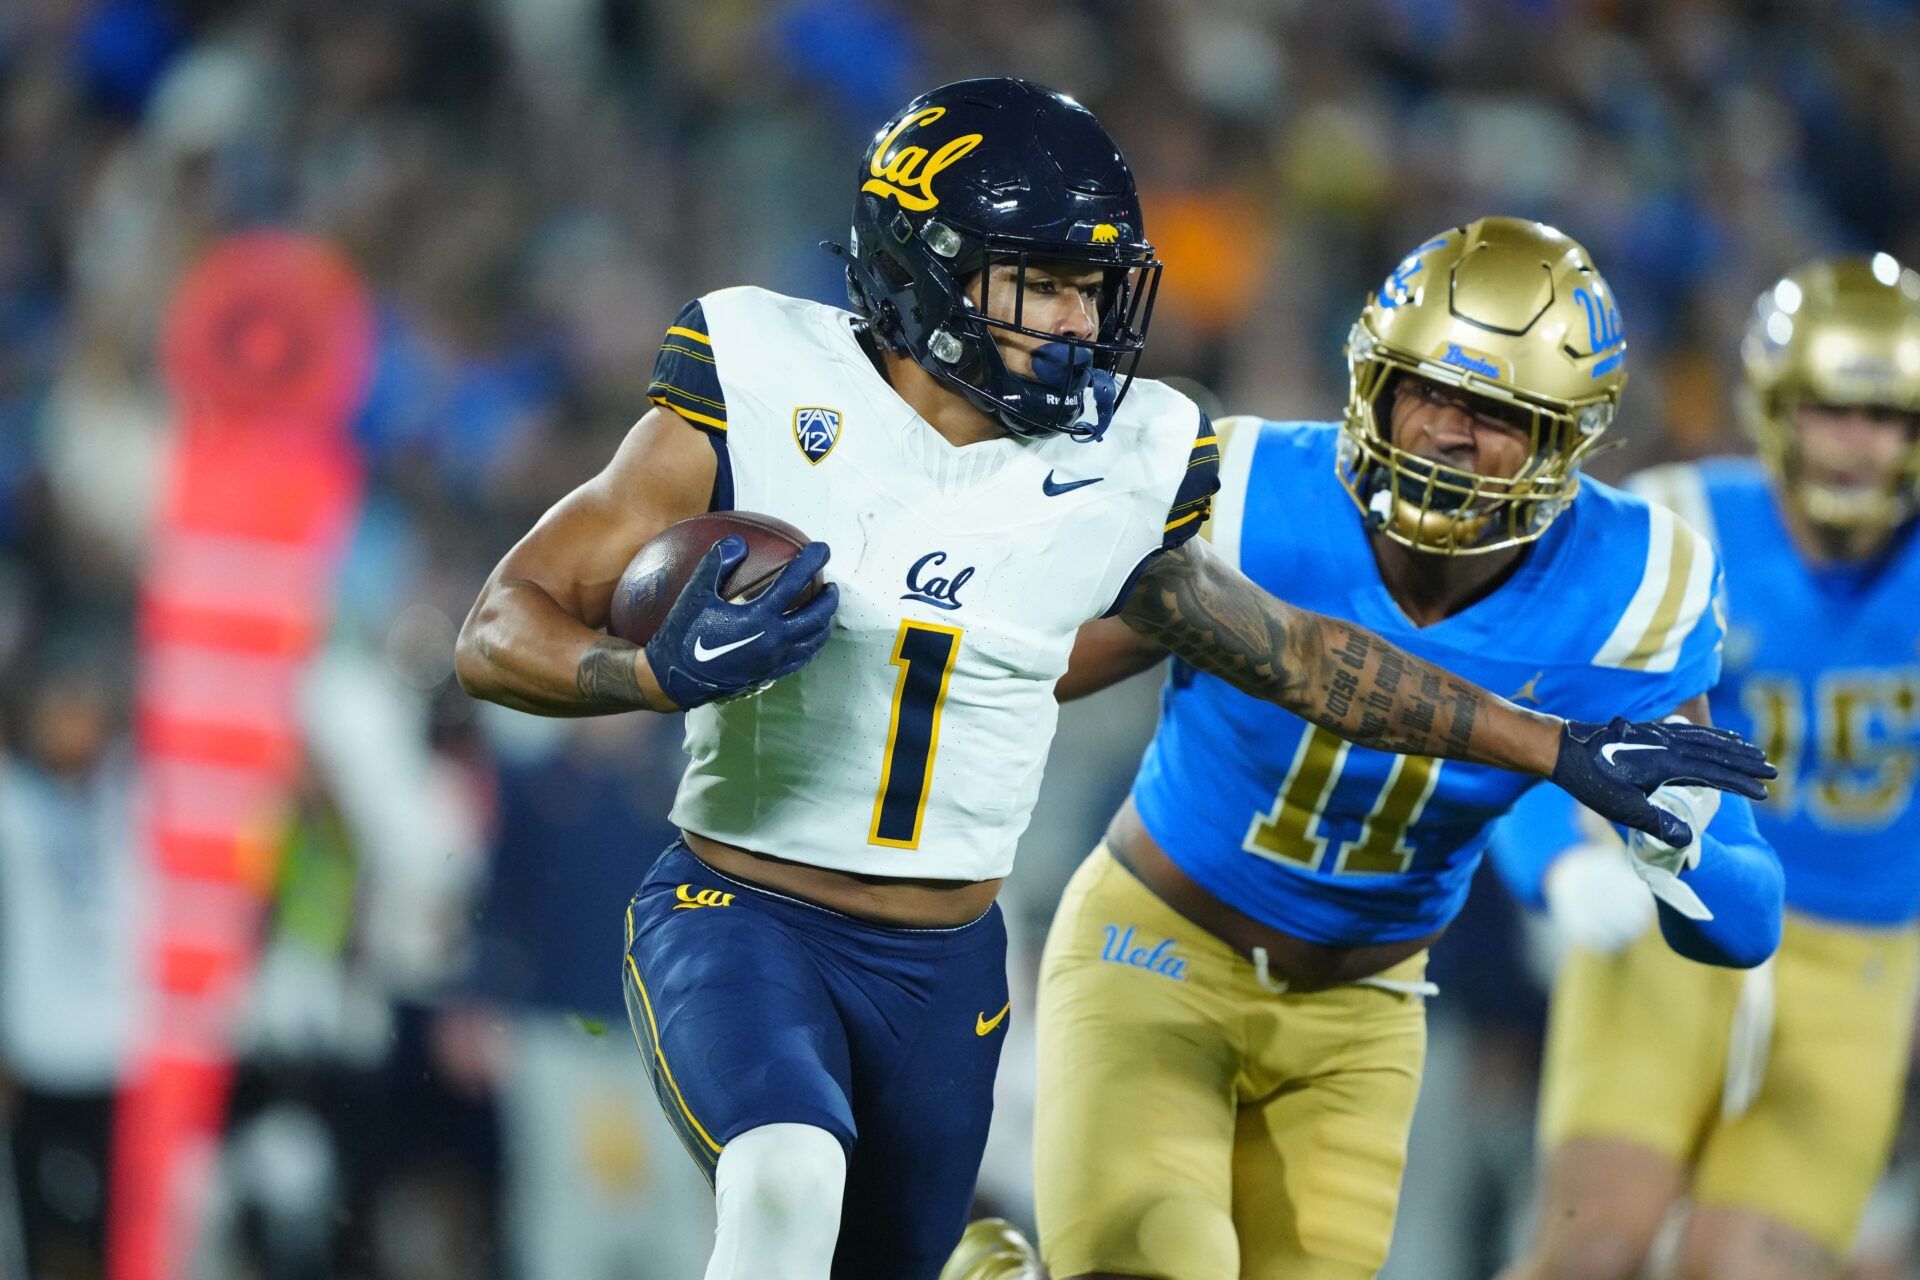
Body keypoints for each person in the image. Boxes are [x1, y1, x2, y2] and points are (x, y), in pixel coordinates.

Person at [454, 79, 1771, 1279]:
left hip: (952, 963)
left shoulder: (1124, 461)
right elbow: (499, 623)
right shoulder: (761, 376)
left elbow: (1299, 657)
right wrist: (643, 671)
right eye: (1046, 284)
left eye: (1096, 287)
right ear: (936, 266)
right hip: (741, 907)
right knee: (787, 1179)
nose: (1086, 321)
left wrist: (1554, 749)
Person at [1007, 218, 1783, 1280]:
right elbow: (1022, 677)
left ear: (1570, 435)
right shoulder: (1241, 488)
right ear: (1371, 376)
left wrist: (1683, 854)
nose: (1445, 433)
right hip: (1158, 955)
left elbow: (1744, 922)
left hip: (1361, 1021)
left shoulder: (1634, 584)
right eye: (1425, 388)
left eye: (1497, 411)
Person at [1495, 255, 1920, 1280]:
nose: (1861, 444)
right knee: (1591, 1246)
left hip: (1861, 965)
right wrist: (1555, 861)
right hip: (1671, 920)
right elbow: (1514, 715)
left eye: (1888, 416)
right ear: (1777, 409)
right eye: (1832, 410)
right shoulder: (1678, 523)